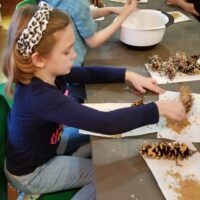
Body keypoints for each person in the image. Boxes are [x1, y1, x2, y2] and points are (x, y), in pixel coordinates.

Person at [3, 2, 186, 200]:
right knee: (105, 175)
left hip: (46, 145)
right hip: (33, 172)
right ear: (39, 59)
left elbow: (86, 73)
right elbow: (106, 123)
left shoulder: (45, 71)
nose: (74, 56)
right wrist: (158, 108)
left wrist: (129, 75)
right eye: (66, 52)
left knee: (95, 141)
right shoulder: (40, 97)